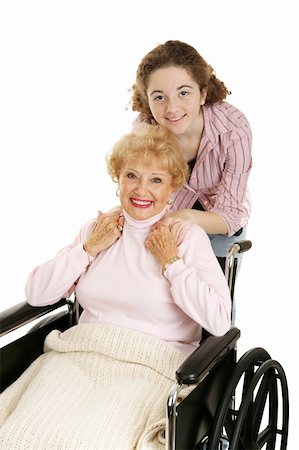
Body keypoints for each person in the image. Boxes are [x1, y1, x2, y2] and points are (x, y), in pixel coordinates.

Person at [0, 124, 231, 449]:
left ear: (172, 187)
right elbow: (37, 294)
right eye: (132, 175)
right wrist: (87, 250)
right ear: (117, 178)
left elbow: (219, 320)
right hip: (79, 354)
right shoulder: (98, 229)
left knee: (96, 441)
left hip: (151, 364)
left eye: (156, 180)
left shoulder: (185, 238)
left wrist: (172, 264)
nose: (141, 190)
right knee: (16, 435)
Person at [130, 40, 252, 258]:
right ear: (148, 101)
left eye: (183, 93)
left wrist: (188, 217)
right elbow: (142, 193)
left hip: (221, 228)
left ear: (202, 94)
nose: (172, 108)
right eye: (159, 97)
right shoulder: (144, 131)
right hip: (170, 228)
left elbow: (232, 214)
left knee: (215, 289)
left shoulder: (233, 129)